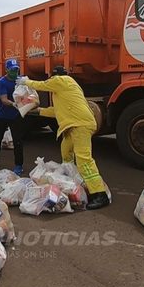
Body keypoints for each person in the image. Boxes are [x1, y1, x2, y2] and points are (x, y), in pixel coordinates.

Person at [17, 66, 110, 210]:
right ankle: (73, 183)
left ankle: (99, 194)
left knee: (84, 159)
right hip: (73, 127)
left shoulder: (62, 80)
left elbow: (42, 85)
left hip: (80, 125)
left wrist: (27, 81)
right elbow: (57, 111)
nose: (51, 80)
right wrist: (37, 111)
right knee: (66, 154)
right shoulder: (65, 89)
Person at [0, 58, 25, 175]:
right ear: (7, 70)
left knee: (18, 141)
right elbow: (3, 100)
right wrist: (14, 104)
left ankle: (18, 165)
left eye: (16, 70)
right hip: (2, 115)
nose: (15, 72)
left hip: (16, 116)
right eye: (12, 70)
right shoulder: (2, 82)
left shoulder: (20, 80)